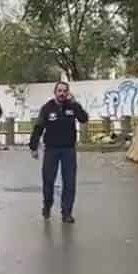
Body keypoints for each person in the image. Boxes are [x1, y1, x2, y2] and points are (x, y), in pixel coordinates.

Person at [29, 81, 88, 224]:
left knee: (69, 182)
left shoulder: (72, 106)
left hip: (68, 149)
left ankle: (67, 212)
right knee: (48, 181)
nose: (62, 94)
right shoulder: (47, 108)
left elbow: (83, 119)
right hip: (51, 150)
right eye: (59, 91)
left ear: (68, 93)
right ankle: (47, 205)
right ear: (55, 92)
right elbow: (38, 127)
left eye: (64, 91)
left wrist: (75, 104)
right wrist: (33, 146)